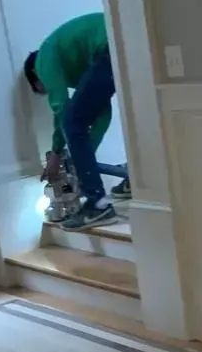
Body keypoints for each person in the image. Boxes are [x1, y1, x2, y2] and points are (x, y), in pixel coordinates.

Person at [24, 12, 127, 230]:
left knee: (71, 121)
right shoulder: (79, 63)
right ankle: (131, 179)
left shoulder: (44, 58)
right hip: (126, 39)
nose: (47, 90)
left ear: (35, 76)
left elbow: (61, 106)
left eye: (42, 89)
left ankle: (98, 205)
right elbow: (103, 114)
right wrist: (84, 156)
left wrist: (56, 153)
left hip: (110, 44)